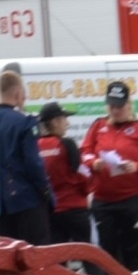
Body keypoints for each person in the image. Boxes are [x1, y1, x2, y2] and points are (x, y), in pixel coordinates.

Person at [0, 70, 52, 244]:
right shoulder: (25, 122)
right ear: (17, 93)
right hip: (27, 200)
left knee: (6, 253)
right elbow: (33, 162)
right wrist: (45, 190)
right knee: (35, 252)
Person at [80, 81, 138, 271]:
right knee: (106, 252)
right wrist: (93, 162)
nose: (115, 110)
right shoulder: (99, 125)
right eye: (112, 105)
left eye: (120, 106)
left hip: (132, 199)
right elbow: (85, 152)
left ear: (129, 104)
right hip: (103, 201)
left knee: (133, 250)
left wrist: (136, 166)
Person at [35, 102, 93, 248]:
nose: (67, 123)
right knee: (86, 254)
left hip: (51, 212)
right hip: (75, 209)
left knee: (57, 257)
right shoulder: (66, 144)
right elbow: (83, 174)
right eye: (64, 119)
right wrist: (86, 191)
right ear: (55, 122)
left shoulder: (35, 146)